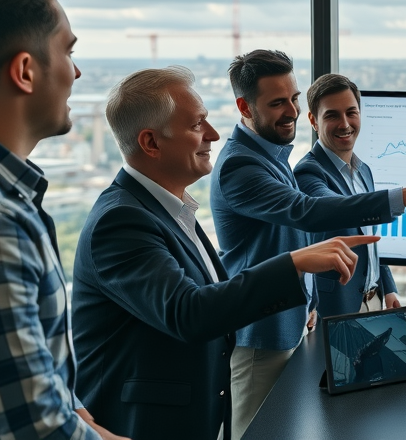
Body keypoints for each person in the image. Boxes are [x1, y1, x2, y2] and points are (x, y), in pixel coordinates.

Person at [71, 66, 375, 440]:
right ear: (151, 143)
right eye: (198, 125)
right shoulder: (121, 221)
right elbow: (189, 311)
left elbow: (211, 291)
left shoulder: (170, 209)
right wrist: (294, 265)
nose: (214, 135)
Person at [210, 49, 406, 438]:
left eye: (292, 98)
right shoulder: (241, 165)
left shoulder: (272, 156)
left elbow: (311, 239)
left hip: (290, 320)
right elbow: (306, 212)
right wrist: (399, 198)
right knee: (256, 432)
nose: (290, 110)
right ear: (244, 106)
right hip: (262, 329)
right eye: (278, 103)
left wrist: (307, 299)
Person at [0, 0, 124, 439]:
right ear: (25, 70)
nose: (76, 71)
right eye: (67, 51)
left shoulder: (0, 194)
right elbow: (40, 430)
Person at [294, 73, 401, 318]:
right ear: (313, 120)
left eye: (351, 112)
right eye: (332, 115)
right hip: (334, 307)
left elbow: (369, 238)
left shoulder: (364, 171)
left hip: (373, 302)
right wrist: (400, 197)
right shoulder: (307, 172)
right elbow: (337, 207)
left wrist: (387, 287)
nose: (345, 124)